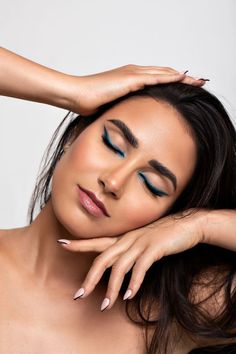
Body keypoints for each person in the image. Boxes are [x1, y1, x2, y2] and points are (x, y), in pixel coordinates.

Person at [0, 47, 235, 354]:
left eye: (152, 185)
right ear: (76, 133)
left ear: (168, 213)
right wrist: (72, 91)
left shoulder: (173, 315)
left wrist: (201, 224)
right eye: (112, 143)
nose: (113, 181)